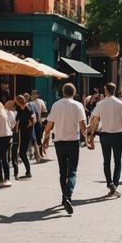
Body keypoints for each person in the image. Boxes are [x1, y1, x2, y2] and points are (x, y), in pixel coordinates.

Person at [42, 82, 87, 215]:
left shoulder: (56, 105)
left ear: (63, 92)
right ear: (74, 93)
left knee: (63, 171)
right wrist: (88, 138)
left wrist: (44, 137)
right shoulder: (78, 105)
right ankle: (67, 196)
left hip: (59, 142)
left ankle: (64, 197)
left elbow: (49, 124)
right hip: (73, 141)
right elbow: (83, 127)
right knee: (72, 171)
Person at [86, 82, 122, 197]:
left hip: (105, 136)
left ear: (106, 90)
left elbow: (94, 122)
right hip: (117, 135)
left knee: (106, 161)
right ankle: (114, 184)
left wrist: (90, 136)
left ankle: (109, 183)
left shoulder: (100, 104)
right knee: (117, 161)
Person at [13, 94, 35, 179]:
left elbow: (33, 120)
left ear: (19, 102)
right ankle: (28, 171)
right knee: (22, 152)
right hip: (21, 133)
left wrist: (28, 125)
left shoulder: (28, 109)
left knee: (22, 153)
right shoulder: (19, 109)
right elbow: (17, 119)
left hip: (26, 133)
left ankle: (28, 171)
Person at [0, 100, 13, 187]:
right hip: (7, 135)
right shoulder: (5, 114)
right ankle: (6, 178)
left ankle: (1, 178)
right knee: (4, 157)